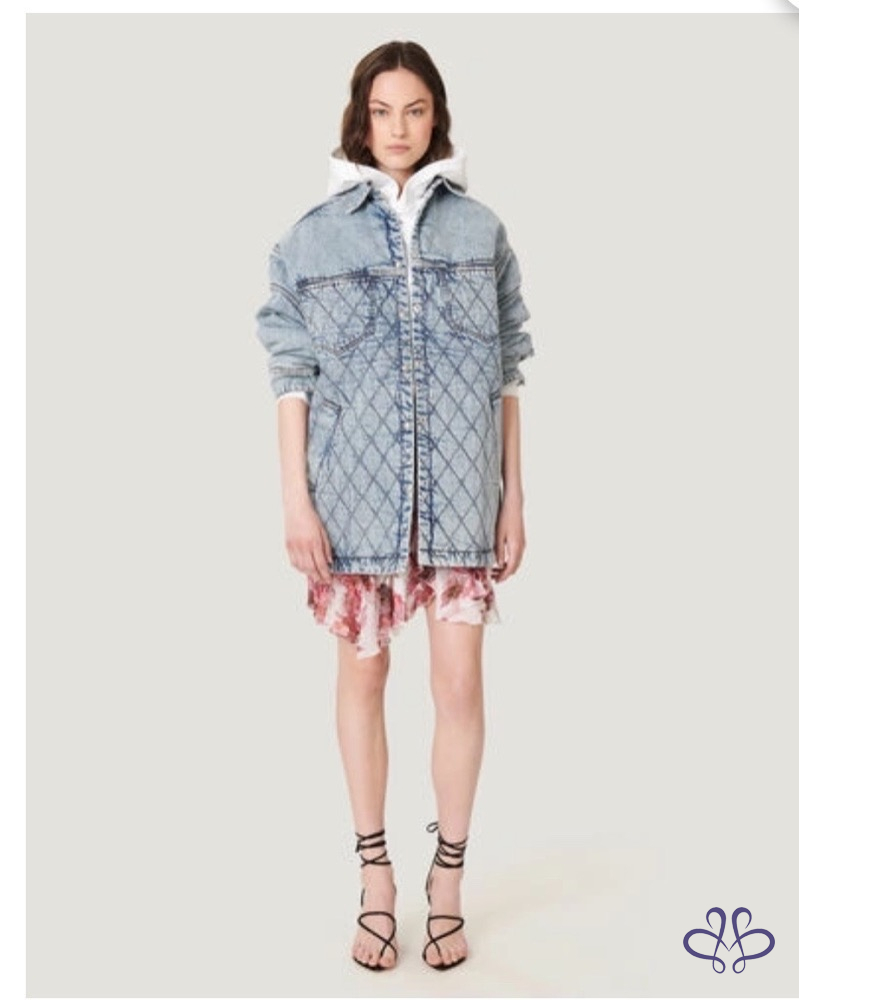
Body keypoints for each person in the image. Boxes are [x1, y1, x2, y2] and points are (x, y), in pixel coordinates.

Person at [255, 40, 535, 972]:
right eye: (383, 111)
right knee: (363, 681)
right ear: (360, 119)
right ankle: (376, 878)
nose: (400, 128)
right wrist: (296, 502)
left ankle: (446, 881)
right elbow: (292, 378)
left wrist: (514, 498)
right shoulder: (311, 239)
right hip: (353, 501)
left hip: (461, 495)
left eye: (416, 110)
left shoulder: (481, 231)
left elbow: (507, 374)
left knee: (459, 687)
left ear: (436, 116)